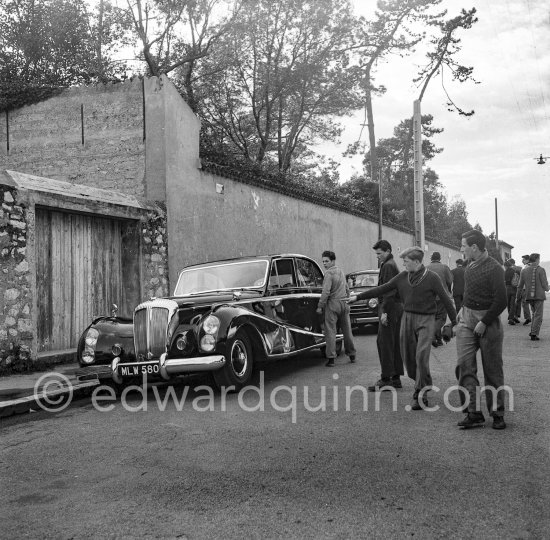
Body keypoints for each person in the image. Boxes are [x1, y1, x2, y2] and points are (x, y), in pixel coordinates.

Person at [349, 246, 457, 410]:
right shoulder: (402, 277)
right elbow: (383, 288)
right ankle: (423, 382)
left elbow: (446, 300)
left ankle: (420, 394)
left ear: (416, 262)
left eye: (406, 261)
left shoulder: (432, 278)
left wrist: (455, 322)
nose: (404, 264)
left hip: (426, 320)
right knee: (409, 359)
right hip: (407, 318)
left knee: (421, 356)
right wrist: (358, 296)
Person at [455, 230, 507, 430]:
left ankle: (497, 413)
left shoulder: (495, 268)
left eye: (463, 245)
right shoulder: (470, 265)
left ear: (474, 247)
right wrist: (462, 309)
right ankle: (473, 413)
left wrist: (484, 321)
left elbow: (501, 300)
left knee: (492, 369)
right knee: (464, 365)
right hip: (467, 318)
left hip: (488, 320)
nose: (461, 249)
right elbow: (470, 291)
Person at [367, 240, 404, 392]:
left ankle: (386, 379)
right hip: (394, 307)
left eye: (379, 254)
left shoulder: (388, 265)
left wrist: (385, 312)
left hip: (390, 308)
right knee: (393, 343)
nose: (378, 257)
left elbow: (389, 291)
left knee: (385, 343)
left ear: (388, 251)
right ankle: (395, 378)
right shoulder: (390, 263)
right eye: (376, 254)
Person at [316, 250, 356, 367]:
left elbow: (325, 292)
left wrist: (320, 306)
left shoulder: (328, 274)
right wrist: (348, 299)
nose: (324, 263)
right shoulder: (340, 271)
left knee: (330, 332)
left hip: (332, 304)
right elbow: (347, 288)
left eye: (326, 261)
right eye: (323, 261)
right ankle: (352, 354)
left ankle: (331, 359)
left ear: (333, 261)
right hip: (344, 303)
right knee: (347, 330)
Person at [515, 253, 549, 341]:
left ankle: (533, 331)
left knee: (534, 314)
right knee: (538, 315)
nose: (539, 261)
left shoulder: (524, 270)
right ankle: (534, 334)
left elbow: (520, 286)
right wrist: (548, 288)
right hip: (539, 296)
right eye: (539, 259)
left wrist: (517, 297)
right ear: (537, 259)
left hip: (529, 296)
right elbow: (545, 285)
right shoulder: (541, 270)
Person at [427, 252, 453, 347]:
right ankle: (432, 335)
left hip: (430, 297)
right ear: (440, 258)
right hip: (442, 297)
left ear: (431, 258)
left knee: (434, 318)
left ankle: (438, 340)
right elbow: (450, 280)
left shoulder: (426, 268)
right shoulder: (444, 267)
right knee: (441, 319)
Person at [504, 259, 521, 325]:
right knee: (513, 304)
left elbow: (503, 281)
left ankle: (510, 317)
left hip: (507, 288)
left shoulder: (505, 272)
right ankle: (511, 318)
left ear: (506, 266)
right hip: (514, 288)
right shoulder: (515, 271)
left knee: (508, 304)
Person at [518, 254, 532, 325]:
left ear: (527, 260)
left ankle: (528, 318)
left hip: (525, 288)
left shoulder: (525, 268)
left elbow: (522, 280)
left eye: (523, 259)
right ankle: (537, 318)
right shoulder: (534, 267)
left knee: (524, 303)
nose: (522, 261)